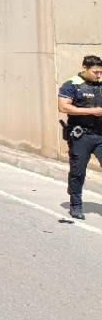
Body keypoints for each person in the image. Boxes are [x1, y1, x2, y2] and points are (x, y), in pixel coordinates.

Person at [57, 54, 102, 220]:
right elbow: (63, 107)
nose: (99, 75)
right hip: (81, 136)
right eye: (95, 72)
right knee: (78, 172)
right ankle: (76, 205)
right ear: (85, 68)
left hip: (100, 135)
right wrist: (92, 111)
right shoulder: (72, 85)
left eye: (101, 72)